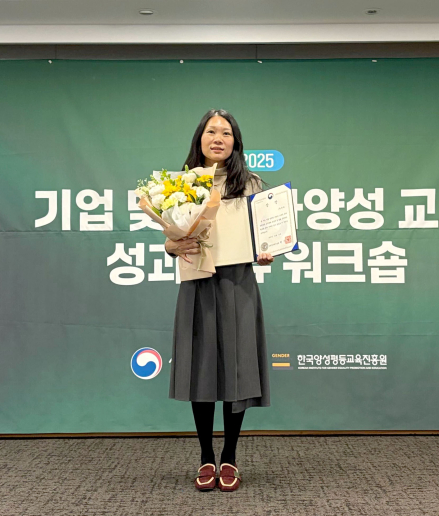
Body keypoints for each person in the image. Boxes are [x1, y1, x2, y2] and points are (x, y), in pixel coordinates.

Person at [165, 109, 273, 492]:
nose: (218, 138)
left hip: (238, 285)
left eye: (226, 133)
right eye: (211, 131)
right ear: (200, 139)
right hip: (198, 285)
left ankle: (229, 456)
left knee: (236, 369)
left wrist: (268, 250)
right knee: (201, 368)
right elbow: (172, 237)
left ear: (235, 143)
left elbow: (268, 234)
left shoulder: (252, 184)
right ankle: (205, 457)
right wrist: (171, 244)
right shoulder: (182, 184)